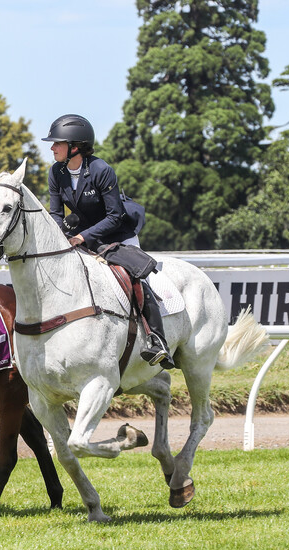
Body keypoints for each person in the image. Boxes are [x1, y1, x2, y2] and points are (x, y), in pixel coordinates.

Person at [42, 114, 174, 369]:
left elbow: (115, 216)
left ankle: (158, 341)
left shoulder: (101, 170)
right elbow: (56, 214)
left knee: (134, 277)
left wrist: (82, 236)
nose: (52, 147)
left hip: (117, 234)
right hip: (84, 234)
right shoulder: (56, 172)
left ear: (75, 147)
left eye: (57, 143)